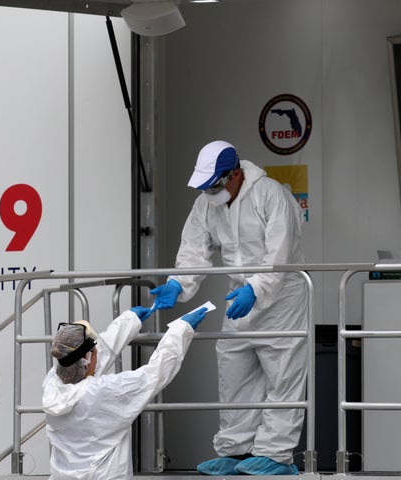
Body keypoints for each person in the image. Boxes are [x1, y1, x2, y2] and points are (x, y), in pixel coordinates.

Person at [151, 140, 307, 476]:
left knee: (282, 375)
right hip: (239, 296)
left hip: (281, 298)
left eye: (216, 184)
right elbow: (194, 249)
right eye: (207, 186)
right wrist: (179, 283)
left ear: (235, 173)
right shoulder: (206, 205)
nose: (211, 192)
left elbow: (279, 252)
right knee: (233, 368)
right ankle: (235, 450)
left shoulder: (270, 194)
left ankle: (275, 454)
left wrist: (257, 287)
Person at [41, 305, 208, 480]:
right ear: (88, 359)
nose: (99, 354)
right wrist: (181, 329)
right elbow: (155, 373)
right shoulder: (103, 392)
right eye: (95, 351)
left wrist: (129, 320)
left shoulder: (52, 383)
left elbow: (96, 355)